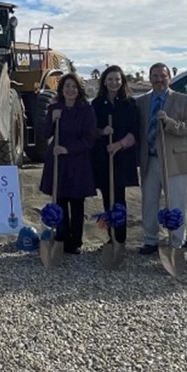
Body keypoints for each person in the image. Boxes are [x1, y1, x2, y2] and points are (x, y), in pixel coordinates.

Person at [136, 63, 187, 255]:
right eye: (155, 76)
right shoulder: (142, 102)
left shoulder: (184, 100)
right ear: (150, 78)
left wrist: (170, 123)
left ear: (169, 77)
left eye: (162, 76)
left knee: (176, 202)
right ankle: (150, 240)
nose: (159, 80)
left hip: (174, 159)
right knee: (149, 202)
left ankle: (177, 240)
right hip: (150, 158)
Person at [39, 73, 97, 255]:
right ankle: (61, 238)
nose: (70, 90)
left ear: (79, 89)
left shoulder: (86, 110)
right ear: (61, 90)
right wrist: (53, 118)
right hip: (58, 162)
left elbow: (90, 138)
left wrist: (68, 149)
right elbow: (45, 134)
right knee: (60, 199)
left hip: (78, 162)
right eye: (67, 87)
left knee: (77, 203)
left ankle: (76, 242)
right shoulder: (55, 108)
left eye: (73, 86)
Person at [90, 65, 139, 245]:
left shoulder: (129, 103)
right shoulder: (96, 104)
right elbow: (90, 130)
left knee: (119, 198)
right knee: (107, 196)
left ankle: (120, 237)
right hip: (103, 158)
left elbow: (135, 131)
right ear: (104, 81)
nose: (114, 82)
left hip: (121, 158)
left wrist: (119, 144)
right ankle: (111, 237)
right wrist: (102, 132)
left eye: (117, 79)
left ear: (122, 81)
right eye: (110, 79)